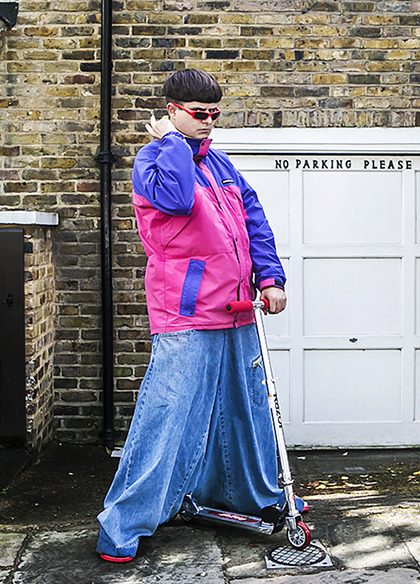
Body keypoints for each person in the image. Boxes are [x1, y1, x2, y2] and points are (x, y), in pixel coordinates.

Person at [96, 68, 299, 562]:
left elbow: (254, 220)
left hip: (236, 309)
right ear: (171, 112)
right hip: (186, 313)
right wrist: (173, 144)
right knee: (165, 416)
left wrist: (270, 278)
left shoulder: (223, 165)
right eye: (197, 114)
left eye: (215, 114)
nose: (208, 123)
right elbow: (177, 199)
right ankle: (122, 525)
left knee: (245, 410)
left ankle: (252, 497)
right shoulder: (153, 161)